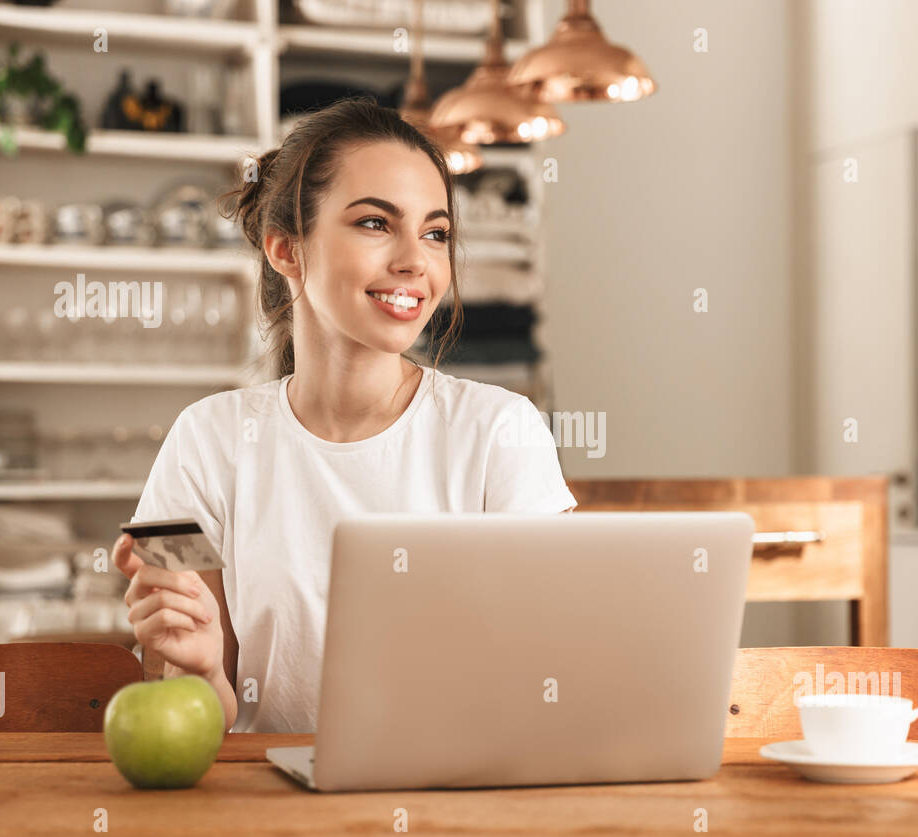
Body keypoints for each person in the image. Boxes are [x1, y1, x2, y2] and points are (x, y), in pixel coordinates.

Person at [111, 97, 576, 734]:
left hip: (453, 804)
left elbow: (548, 686)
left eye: (436, 233)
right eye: (376, 224)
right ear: (287, 250)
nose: (416, 259)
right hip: (267, 811)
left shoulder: (503, 432)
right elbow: (194, 716)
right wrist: (197, 672)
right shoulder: (202, 439)